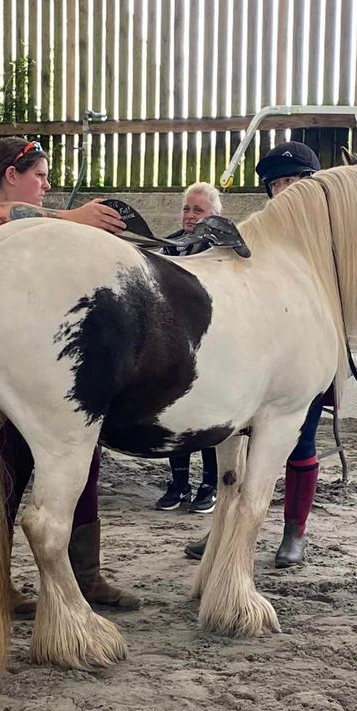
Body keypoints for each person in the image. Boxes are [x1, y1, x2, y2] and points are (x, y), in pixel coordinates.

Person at [0, 136, 140, 612]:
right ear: (9, 177)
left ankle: (86, 576)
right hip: (1, 369)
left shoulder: (39, 229)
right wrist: (73, 219)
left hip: (44, 364)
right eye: (39, 175)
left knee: (83, 466)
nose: (47, 185)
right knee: (5, 470)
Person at [184, 141, 327, 567]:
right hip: (260, 344)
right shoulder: (261, 228)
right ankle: (225, 528)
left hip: (302, 344)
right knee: (228, 432)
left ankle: (294, 532)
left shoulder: (325, 234)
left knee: (300, 438)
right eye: (277, 183)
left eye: (292, 181)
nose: (284, 190)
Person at [154, 183, 223, 513]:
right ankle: (179, 481)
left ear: (215, 214)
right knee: (175, 413)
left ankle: (209, 482)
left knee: (208, 416)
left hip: (212, 344)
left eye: (199, 210)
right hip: (174, 343)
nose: (190, 216)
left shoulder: (224, 247)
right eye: (186, 209)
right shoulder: (168, 245)